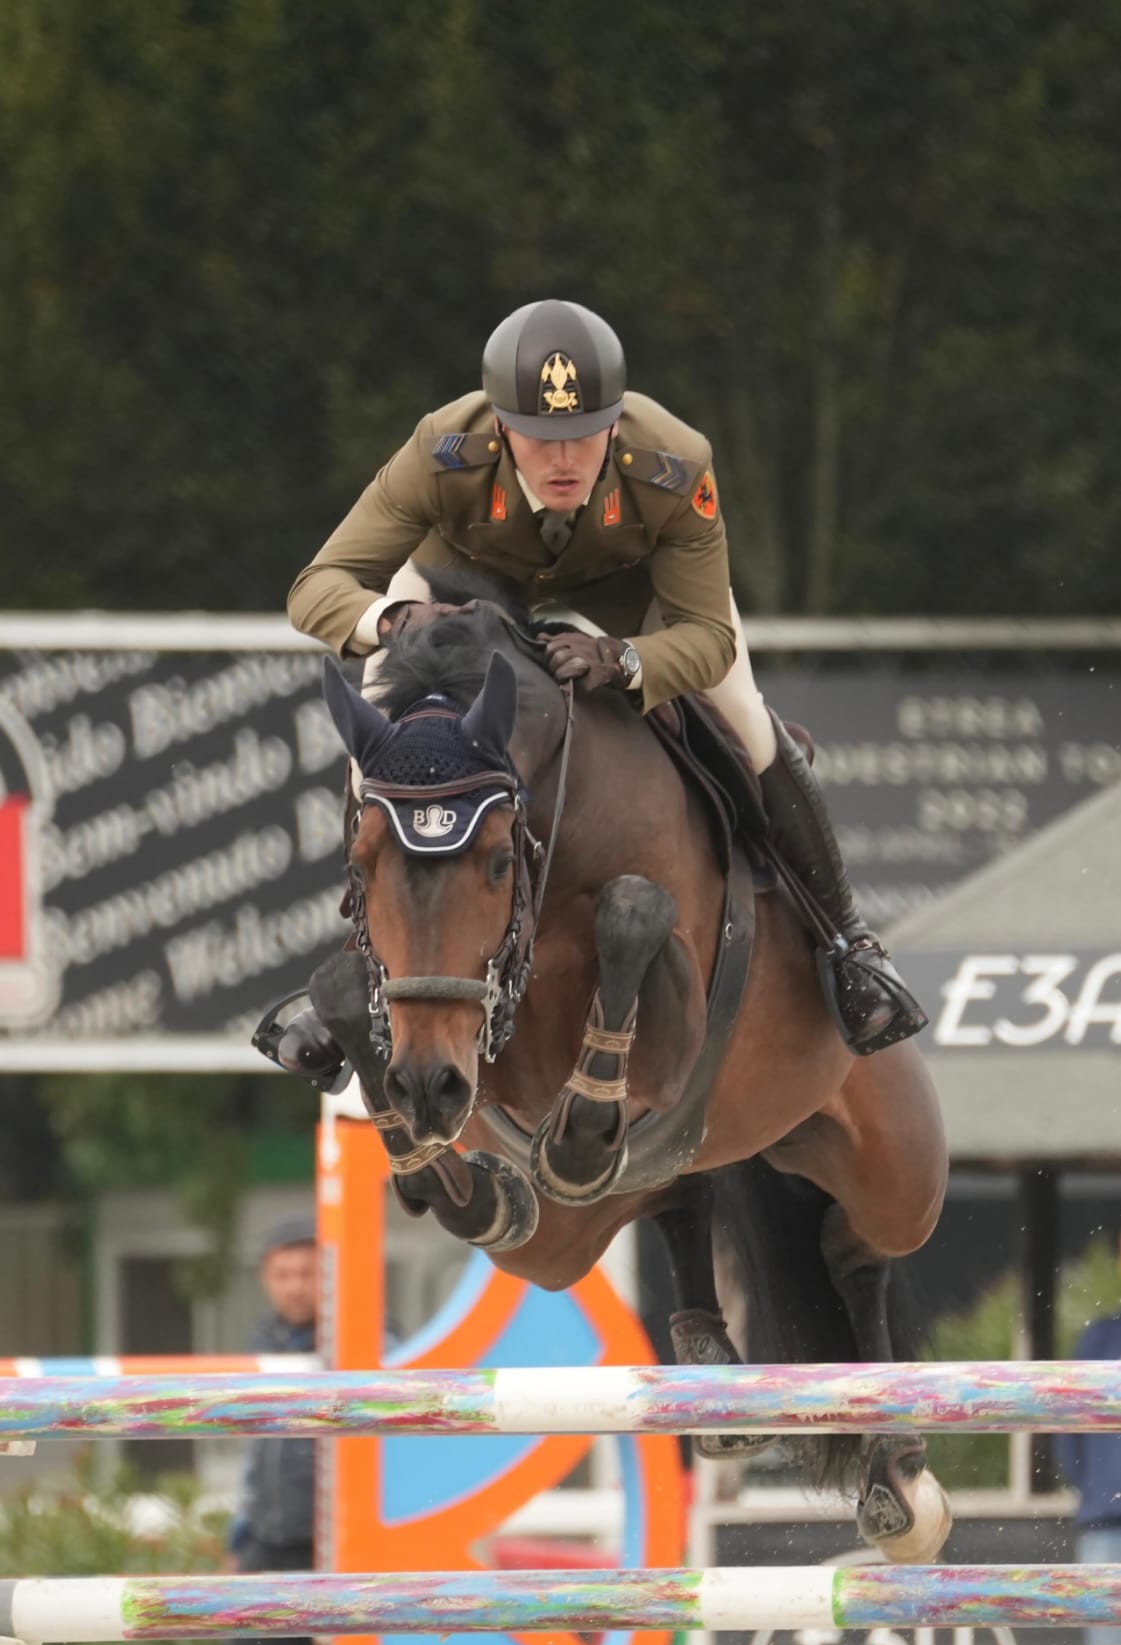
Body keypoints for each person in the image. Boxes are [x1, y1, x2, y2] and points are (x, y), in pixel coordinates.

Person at [276, 298, 923, 1083]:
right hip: (467, 587)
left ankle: (848, 944)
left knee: (749, 724)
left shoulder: (673, 461)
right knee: (380, 735)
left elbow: (707, 635)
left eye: (585, 435)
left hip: (630, 596)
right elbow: (316, 587)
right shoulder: (441, 449)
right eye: (538, 437)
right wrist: (392, 618)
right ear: (499, 427)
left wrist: (626, 660)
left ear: (615, 426)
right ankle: (355, 958)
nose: (563, 459)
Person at [205, 1216, 319, 1645]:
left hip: (347, 1552)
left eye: (307, 1272)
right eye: (284, 1273)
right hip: (271, 1547)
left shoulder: (372, 1338)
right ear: (266, 1278)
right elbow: (257, 1460)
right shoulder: (263, 1345)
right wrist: (239, 1539)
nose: (296, 1285)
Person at [1054, 1241, 1121, 1645]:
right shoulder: (1098, 1340)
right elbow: (1067, 1443)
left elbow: (1070, 1452)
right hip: (1107, 1534)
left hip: (1103, 1526)